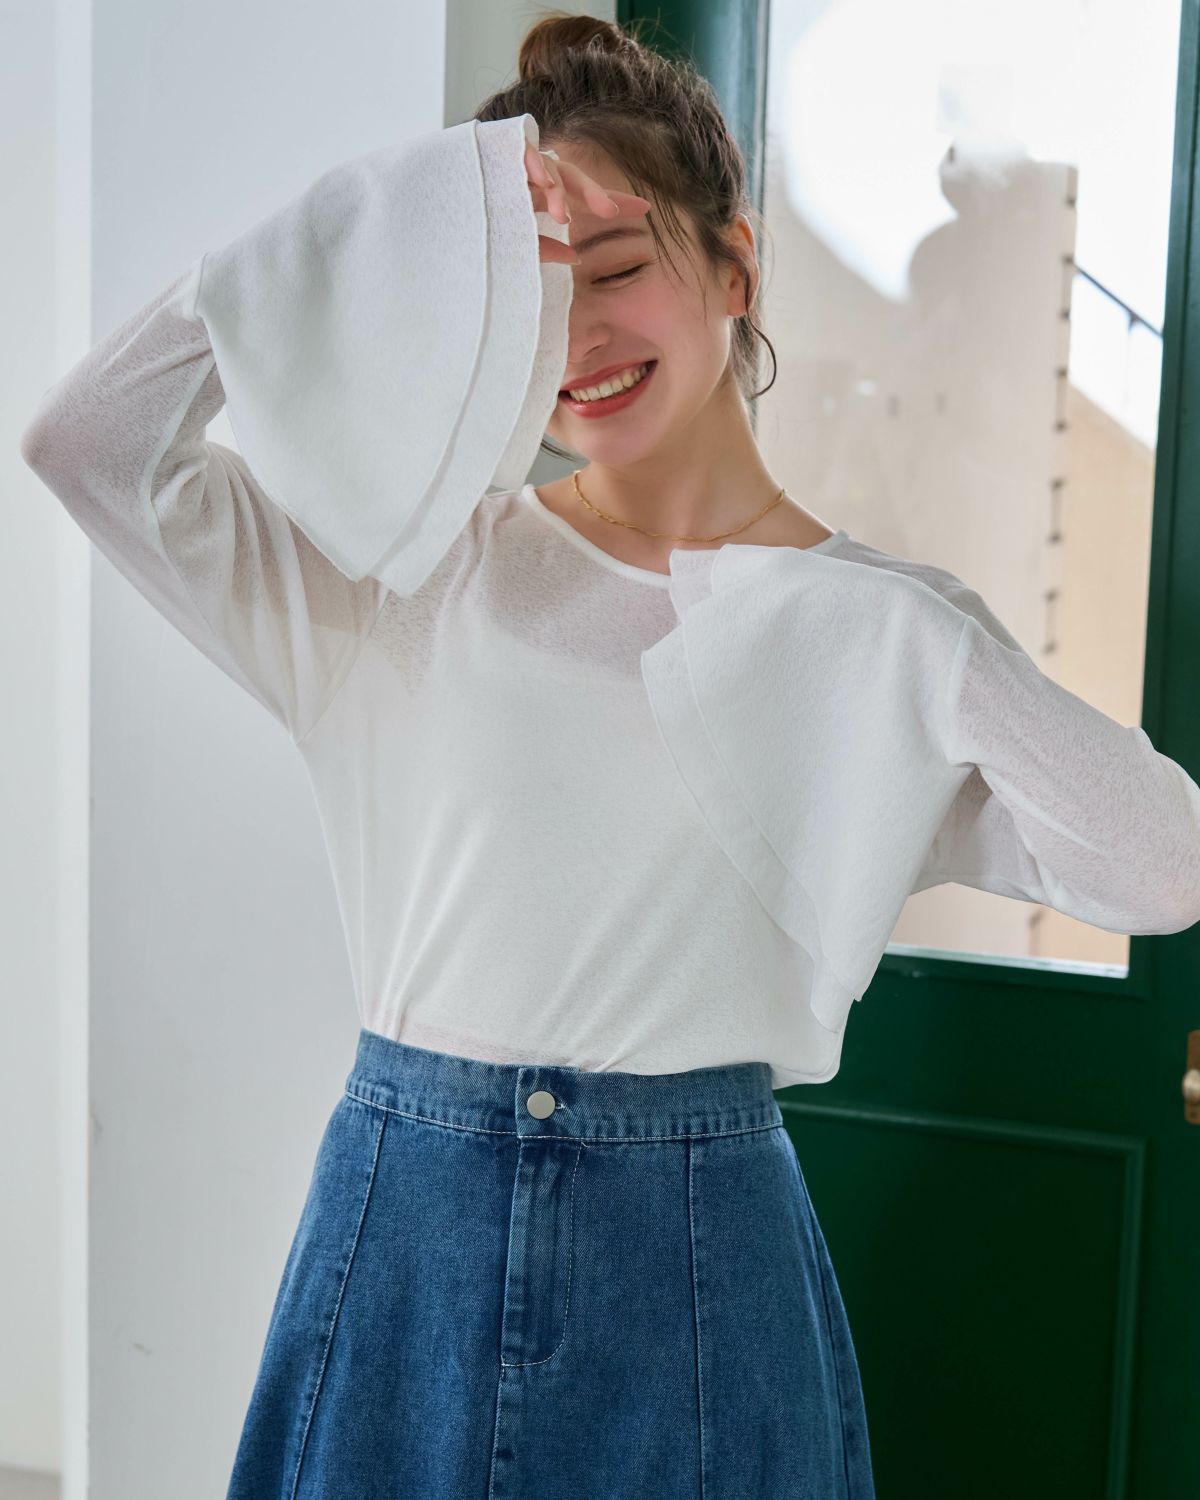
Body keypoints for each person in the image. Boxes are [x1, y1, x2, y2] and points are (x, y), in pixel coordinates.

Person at [19, 11, 1200, 1499]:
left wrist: (937, 643)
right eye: (529, 285)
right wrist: (366, 225)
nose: (575, 337)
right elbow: (88, 443)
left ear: (735, 266)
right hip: (404, 1260)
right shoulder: (410, 578)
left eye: (618, 265)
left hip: (702, 1277)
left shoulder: (878, 641)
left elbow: (1162, 867)